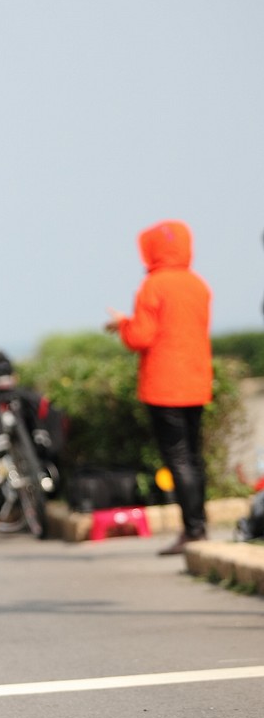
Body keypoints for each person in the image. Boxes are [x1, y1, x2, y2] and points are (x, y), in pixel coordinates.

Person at [106, 219, 212, 555]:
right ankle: (200, 526)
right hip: (197, 381)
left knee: (178, 458)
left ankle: (193, 530)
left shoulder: (153, 286)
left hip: (165, 385)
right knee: (193, 456)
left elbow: (141, 336)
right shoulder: (198, 285)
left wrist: (122, 324)